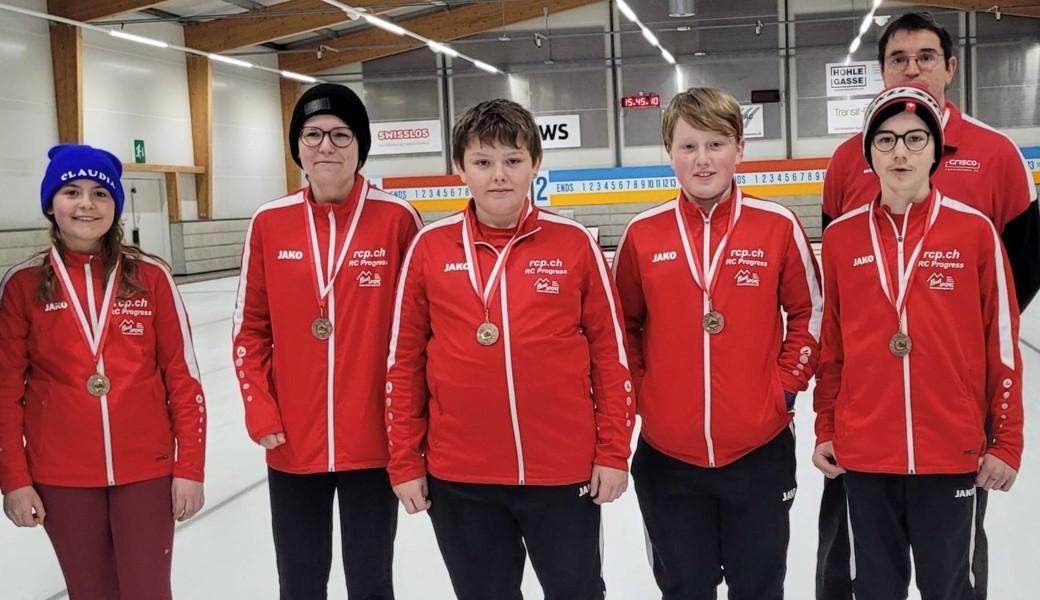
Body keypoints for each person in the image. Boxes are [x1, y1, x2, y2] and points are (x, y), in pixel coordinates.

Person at [817, 13, 1038, 600]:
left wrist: (1004, 433)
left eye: (915, 140)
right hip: (867, 443)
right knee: (865, 578)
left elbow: (1003, 327)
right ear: (869, 153)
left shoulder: (975, 222)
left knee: (952, 581)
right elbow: (835, 336)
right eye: (886, 141)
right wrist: (826, 424)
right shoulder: (842, 232)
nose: (900, 152)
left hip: (951, 434)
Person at [385, 98, 633, 600]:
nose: (499, 176)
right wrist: (405, 460)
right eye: (483, 162)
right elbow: (404, 362)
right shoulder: (430, 248)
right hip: (461, 476)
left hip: (562, 471)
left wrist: (613, 452)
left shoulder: (574, 244)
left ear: (535, 165)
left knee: (577, 592)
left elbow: (612, 356)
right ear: (460, 168)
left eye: (513, 160)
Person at [612, 87, 823, 599]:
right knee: (684, 588)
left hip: (759, 449)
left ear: (740, 149)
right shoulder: (642, 234)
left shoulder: (778, 226)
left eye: (716, 144)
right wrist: (645, 395)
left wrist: (785, 388)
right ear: (669, 152)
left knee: (759, 587)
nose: (703, 160)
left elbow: (810, 312)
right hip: (669, 456)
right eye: (688, 146)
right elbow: (622, 328)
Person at [232, 83, 422, 599]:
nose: (326, 147)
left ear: (360, 146)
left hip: (373, 441)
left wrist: (408, 428)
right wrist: (260, 409)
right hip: (291, 440)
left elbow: (416, 336)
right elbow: (249, 330)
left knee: (370, 581)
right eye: (312, 135)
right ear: (297, 147)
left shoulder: (398, 220)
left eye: (340, 135)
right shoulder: (269, 222)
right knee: (299, 580)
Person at [0, 144, 206, 600]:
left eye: (99, 193)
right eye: (71, 191)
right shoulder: (22, 284)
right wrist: (14, 479)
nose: (86, 204)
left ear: (116, 204)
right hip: (61, 474)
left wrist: (189, 467)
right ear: (52, 204)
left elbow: (183, 379)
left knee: (148, 591)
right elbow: (5, 393)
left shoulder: (151, 277)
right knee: (88, 592)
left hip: (147, 470)